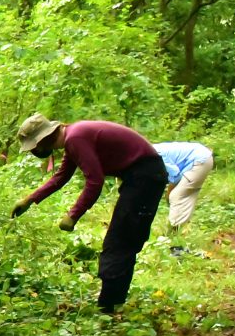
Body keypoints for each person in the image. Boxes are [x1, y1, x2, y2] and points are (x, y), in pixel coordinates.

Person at [10, 113, 167, 314]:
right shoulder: (73, 137)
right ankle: (112, 301)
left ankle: (108, 307)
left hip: (145, 175)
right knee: (123, 238)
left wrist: (73, 215)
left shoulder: (75, 137)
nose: (36, 151)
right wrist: (29, 200)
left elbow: (95, 181)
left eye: (35, 147)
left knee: (120, 240)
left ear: (44, 139)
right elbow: (61, 177)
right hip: (140, 176)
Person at [153, 140, 215, 231]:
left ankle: (175, 231)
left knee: (177, 196)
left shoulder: (155, 155)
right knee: (182, 195)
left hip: (200, 160)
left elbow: (174, 174)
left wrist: (170, 191)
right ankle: (181, 227)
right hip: (199, 158)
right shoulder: (150, 151)